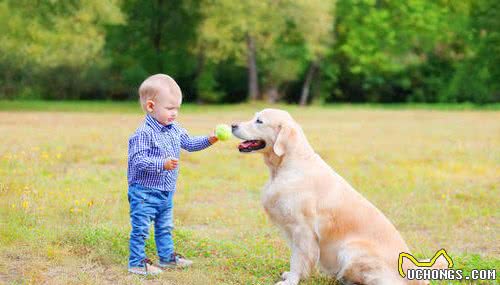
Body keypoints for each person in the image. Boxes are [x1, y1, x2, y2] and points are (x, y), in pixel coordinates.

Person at [127, 74, 218, 275]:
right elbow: (138, 161)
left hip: (166, 192)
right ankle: (136, 263)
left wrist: (209, 140)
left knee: (165, 227)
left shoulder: (174, 129)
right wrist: (162, 164)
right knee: (141, 228)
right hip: (144, 192)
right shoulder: (143, 133)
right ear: (151, 107)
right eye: (169, 108)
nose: (175, 113)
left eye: (177, 108)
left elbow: (190, 144)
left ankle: (167, 258)